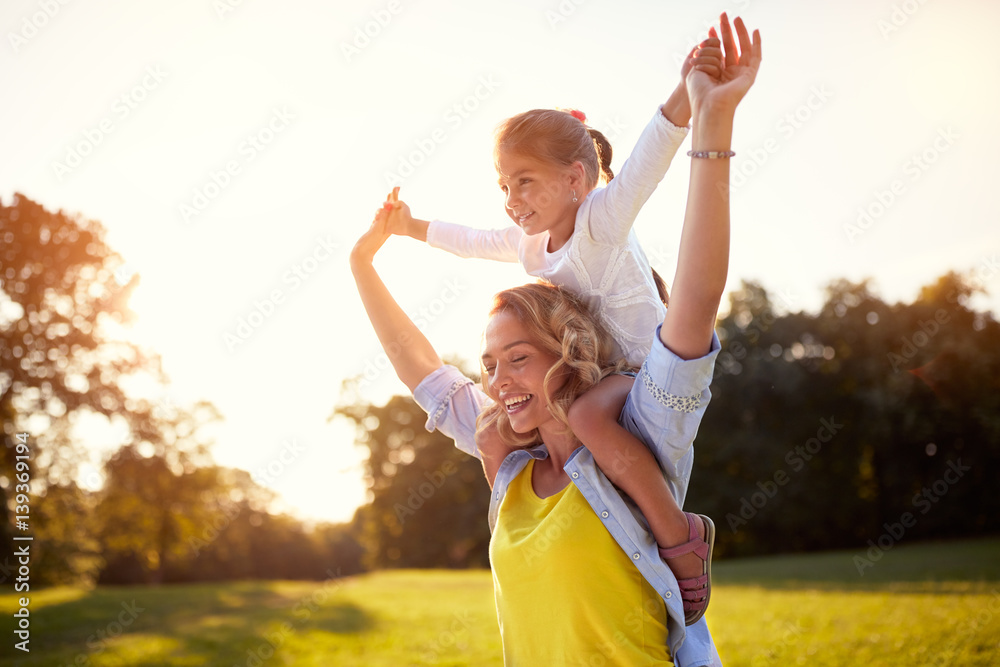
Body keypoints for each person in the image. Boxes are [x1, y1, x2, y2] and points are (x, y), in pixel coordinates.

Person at [350, 13, 761, 665]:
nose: (496, 381)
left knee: (591, 413)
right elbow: (425, 353)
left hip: (635, 370)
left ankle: (682, 539)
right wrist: (375, 252)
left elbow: (663, 191)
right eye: (488, 364)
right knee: (516, 425)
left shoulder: (642, 424)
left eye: (517, 358)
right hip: (590, 387)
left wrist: (704, 109)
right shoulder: (510, 447)